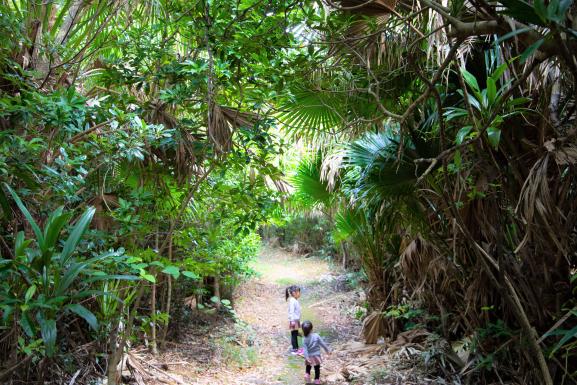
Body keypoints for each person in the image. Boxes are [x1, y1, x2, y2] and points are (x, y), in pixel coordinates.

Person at [301, 320, 330, 384]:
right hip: (316, 356)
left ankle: (307, 374)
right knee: (317, 368)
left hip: (309, 356)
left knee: (308, 367)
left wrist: (307, 358)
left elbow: (305, 350)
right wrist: (327, 351)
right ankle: (316, 380)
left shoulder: (304, 339)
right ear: (311, 329)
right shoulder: (316, 336)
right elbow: (323, 344)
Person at [286, 285, 302, 355]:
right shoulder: (292, 301)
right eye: (299, 292)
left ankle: (296, 348)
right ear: (294, 293)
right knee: (294, 334)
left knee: (295, 333)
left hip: (296, 319)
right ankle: (294, 349)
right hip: (294, 320)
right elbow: (291, 311)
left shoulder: (294, 300)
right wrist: (292, 321)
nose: (299, 294)